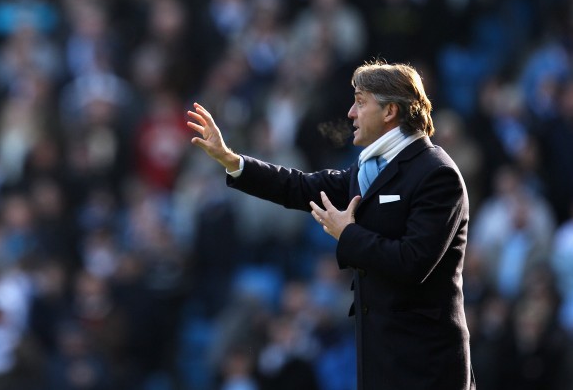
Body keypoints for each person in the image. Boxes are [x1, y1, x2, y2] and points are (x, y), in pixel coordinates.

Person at [187, 59, 474, 389]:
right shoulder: (369, 169)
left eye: (361, 103)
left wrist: (348, 233)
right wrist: (232, 161)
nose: (351, 113)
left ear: (390, 111)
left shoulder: (437, 174)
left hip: (426, 368)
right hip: (383, 363)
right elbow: (300, 186)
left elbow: (412, 263)